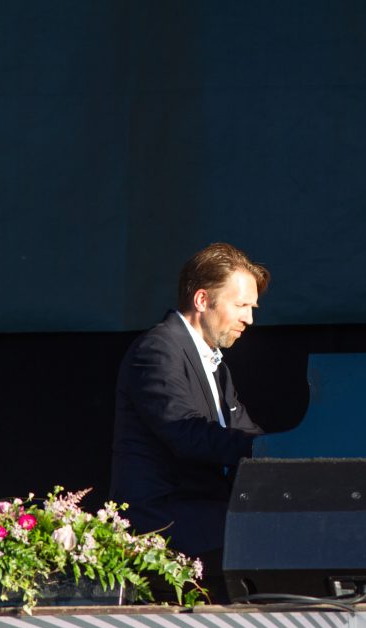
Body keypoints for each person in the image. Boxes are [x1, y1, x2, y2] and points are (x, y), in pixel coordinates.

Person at [109, 242, 270, 595]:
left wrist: (288, 456)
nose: (250, 318)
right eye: (241, 305)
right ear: (201, 301)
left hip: (203, 518)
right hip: (166, 524)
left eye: (252, 307)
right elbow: (188, 434)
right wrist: (266, 450)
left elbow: (244, 433)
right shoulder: (158, 349)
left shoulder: (216, 365)